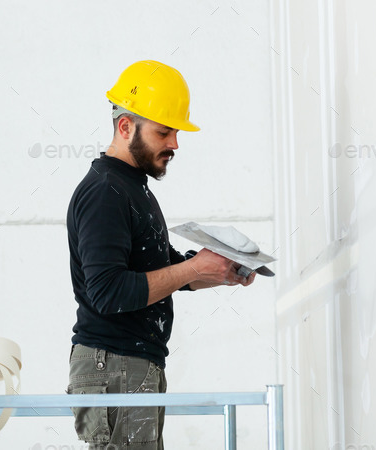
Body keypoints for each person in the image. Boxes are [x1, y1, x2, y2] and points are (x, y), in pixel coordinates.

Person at [66, 60, 256, 450]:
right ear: (125, 127)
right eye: (164, 131)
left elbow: (162, 271)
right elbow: (109, 292)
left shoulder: (132, 188)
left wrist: (218, 270)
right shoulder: (105, 192)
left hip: (129, 363)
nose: (174, 143)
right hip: (113, 362)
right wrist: (193, 266)